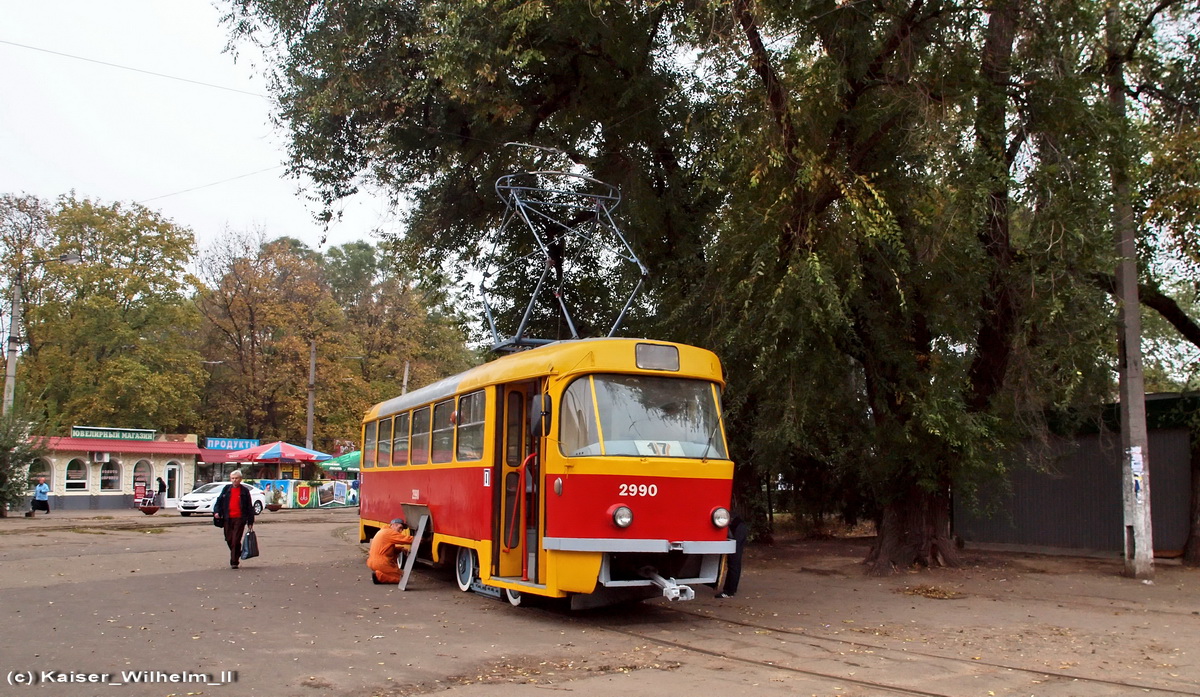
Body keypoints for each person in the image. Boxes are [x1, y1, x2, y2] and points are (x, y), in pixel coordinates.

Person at [213, 471, 255, 569]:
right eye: (232, 478)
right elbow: (219, 501)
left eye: (236, 478)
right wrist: (216, 512)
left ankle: (234, 562)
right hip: (227, 518)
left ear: (240, 479)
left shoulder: (244, 491)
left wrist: (250, 522)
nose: (234, 480)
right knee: (229, 539)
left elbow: (249, 507)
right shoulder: (226, 489)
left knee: (236, 540)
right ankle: (237, 552)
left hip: (240, 518)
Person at [367, 518, 414, 584]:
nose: (400, 531)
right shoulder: (389, 533)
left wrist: (400, 549)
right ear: (393, 525)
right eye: (400, 528)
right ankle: (379, 576)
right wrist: (419, 539)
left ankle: (381, 573)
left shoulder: (383, 531)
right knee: (402, 578)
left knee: (399, 574)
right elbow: (405, 539)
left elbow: (386, 549)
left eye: (402, 529)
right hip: (381, 563)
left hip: (372, 562)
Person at [716, 513, 747, 598]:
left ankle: (729, 591)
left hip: (735, 528)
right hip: (737, 526)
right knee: (735, 562)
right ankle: (731, 589)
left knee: (733, 562)